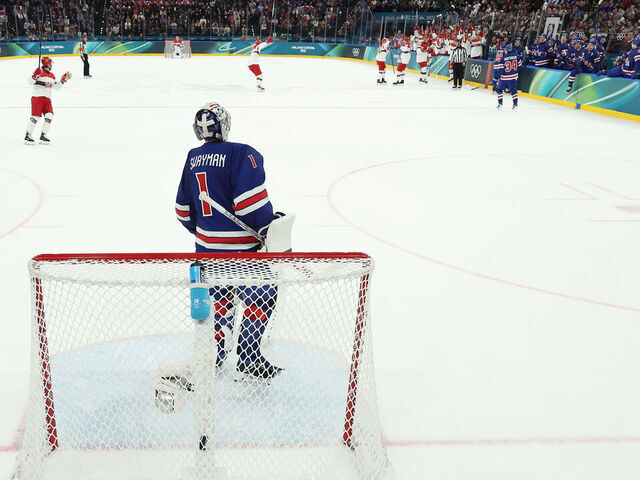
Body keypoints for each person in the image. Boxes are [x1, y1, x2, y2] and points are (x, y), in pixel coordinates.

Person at [175, 102, 283, 379]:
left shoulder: (191, 157)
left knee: (219, 301)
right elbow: (251, 207)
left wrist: (207, 234)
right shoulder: (242, 153)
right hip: (243, 254)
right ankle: (248, 356)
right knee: (262, 298)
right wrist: (269, 225)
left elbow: (182, 211)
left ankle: (216, 355)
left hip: (206, 253)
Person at [24, 57, 71, 145]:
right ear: (48, 64)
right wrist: (34, 76)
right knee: (35, 117)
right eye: (51, 63)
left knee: (49, 115)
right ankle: (27, 136)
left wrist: (63, 80)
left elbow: (57, 87)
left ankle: (43, 136)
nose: (51, 65)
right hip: (37, 97)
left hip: (47, 99)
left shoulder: (52, 75)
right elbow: (29, 82)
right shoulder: (38, 72)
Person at [493, 43, 521, 110]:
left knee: (499, 90)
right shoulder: (516, 56)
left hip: (505, 78)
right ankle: (515, 105)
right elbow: (519, 66)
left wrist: (496, 78)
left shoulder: (503, 58)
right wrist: (515, 72)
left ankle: (500, 104)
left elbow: (501, 70)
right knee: (514, 91)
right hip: (513, 77)